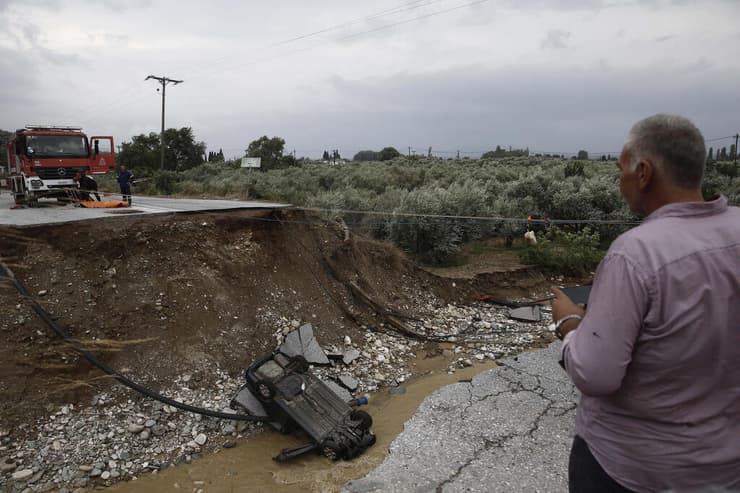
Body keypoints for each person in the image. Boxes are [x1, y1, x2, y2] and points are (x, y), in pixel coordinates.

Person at [551, 113, 740, 493]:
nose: (619, 183)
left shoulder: (634, 254)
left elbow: (596, 375)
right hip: (726, 468)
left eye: (621, 170)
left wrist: (570, 325)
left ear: (644, 173)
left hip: (633, 471)